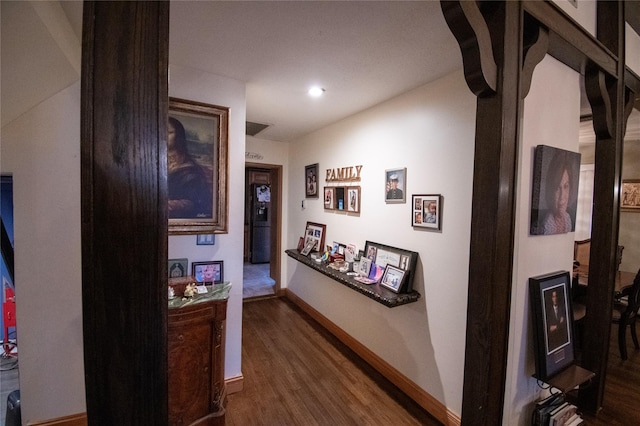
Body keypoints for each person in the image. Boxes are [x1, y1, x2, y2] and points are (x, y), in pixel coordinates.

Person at [168, 117, 213, 219]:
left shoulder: (190, 169)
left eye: (169, 132)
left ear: (178, 136)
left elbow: (197, 201)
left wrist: (170, 204)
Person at [541, 150, 576, 235]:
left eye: (566, 186)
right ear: (550, 191)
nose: (562, 196)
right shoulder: (546, 226)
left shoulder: (568, 219)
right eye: (557, 188)